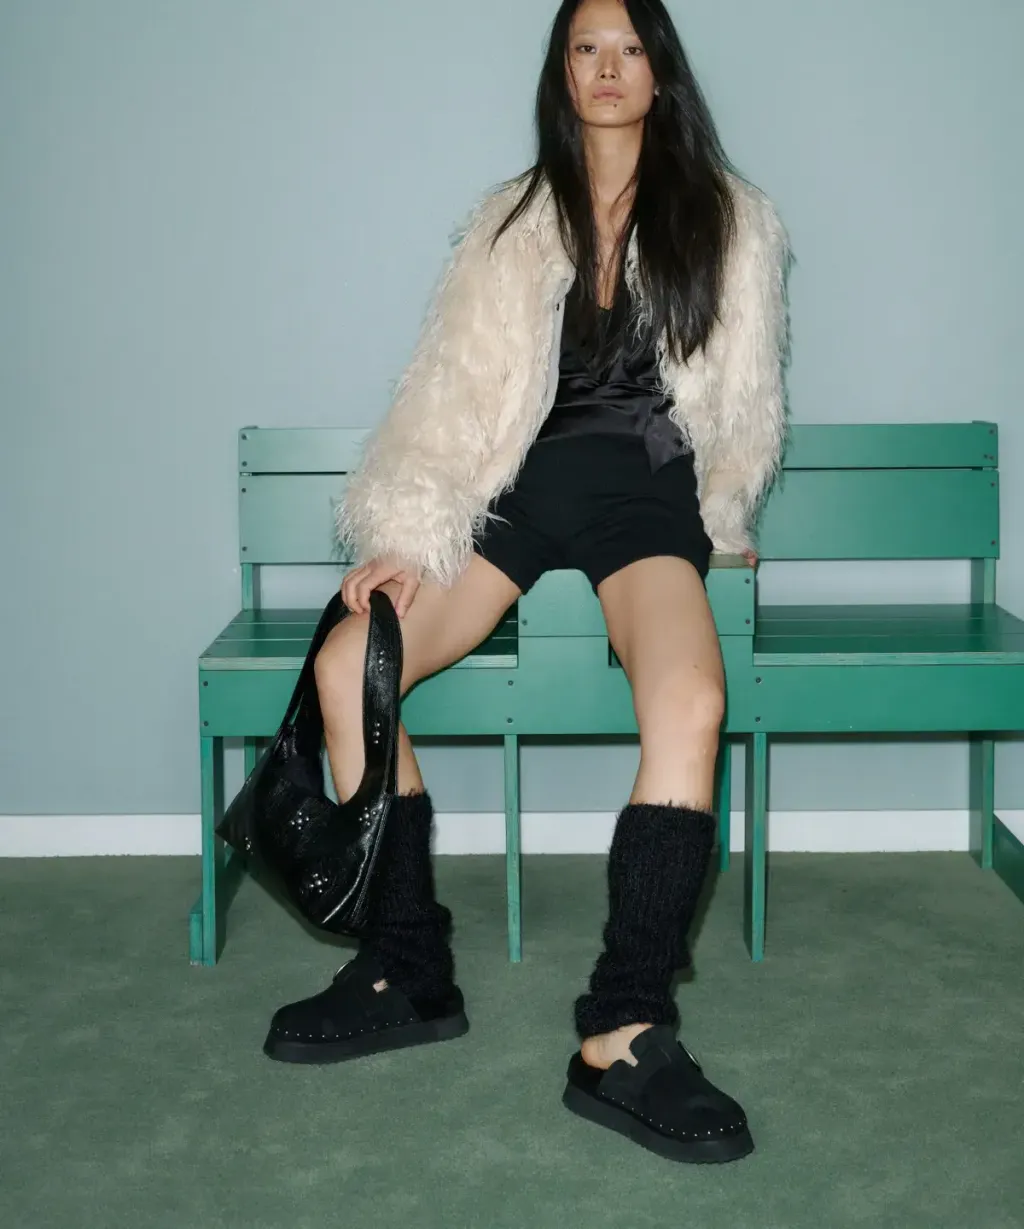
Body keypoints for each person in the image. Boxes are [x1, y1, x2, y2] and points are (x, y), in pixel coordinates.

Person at [263, 0, 792, 1166]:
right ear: (562, 73)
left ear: (660, 71)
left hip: (647, 498)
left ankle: (623, 1026)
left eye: (629, 48)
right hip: (515, 492)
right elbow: (450, 390)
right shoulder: (509, 219)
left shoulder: (728, 218)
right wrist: (407, 527)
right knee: (351, 663)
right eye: (584, 49)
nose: (607, 67)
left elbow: (740, 400)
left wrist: (723, 519)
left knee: (691, 700)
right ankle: (407, 965)